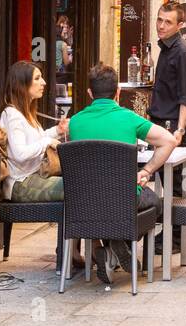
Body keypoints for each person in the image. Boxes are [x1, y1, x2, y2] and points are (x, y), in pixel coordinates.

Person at [68, 63, 178, 283]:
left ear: (90, 93)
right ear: (118, 92)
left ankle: (108, 249)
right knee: (155, 202)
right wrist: (146, 170)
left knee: (103, 203)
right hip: (123, 198)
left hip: (82, 202)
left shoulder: (74, 122)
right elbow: (169, 140)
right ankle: (120, 240)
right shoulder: (128, 118)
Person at [0, 61, 68, 203]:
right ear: (22, 85)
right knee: (77, 187)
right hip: (20, 183)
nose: (43, 82)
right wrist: (48, 142)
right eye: (37, 78)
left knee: (80, 183)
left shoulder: (25, 113)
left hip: (35, 176)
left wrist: (57, 130)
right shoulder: (12, 115)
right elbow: (20, 154)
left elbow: (36, 139)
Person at [148, 1, 186, 144]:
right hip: (159, 123)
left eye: (168, 22)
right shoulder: (166, 47)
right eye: (159, 20)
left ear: (180, 25)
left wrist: (180, 130)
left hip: (172, 126)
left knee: (170, 167)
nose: (161, 26)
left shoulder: (184, 52)